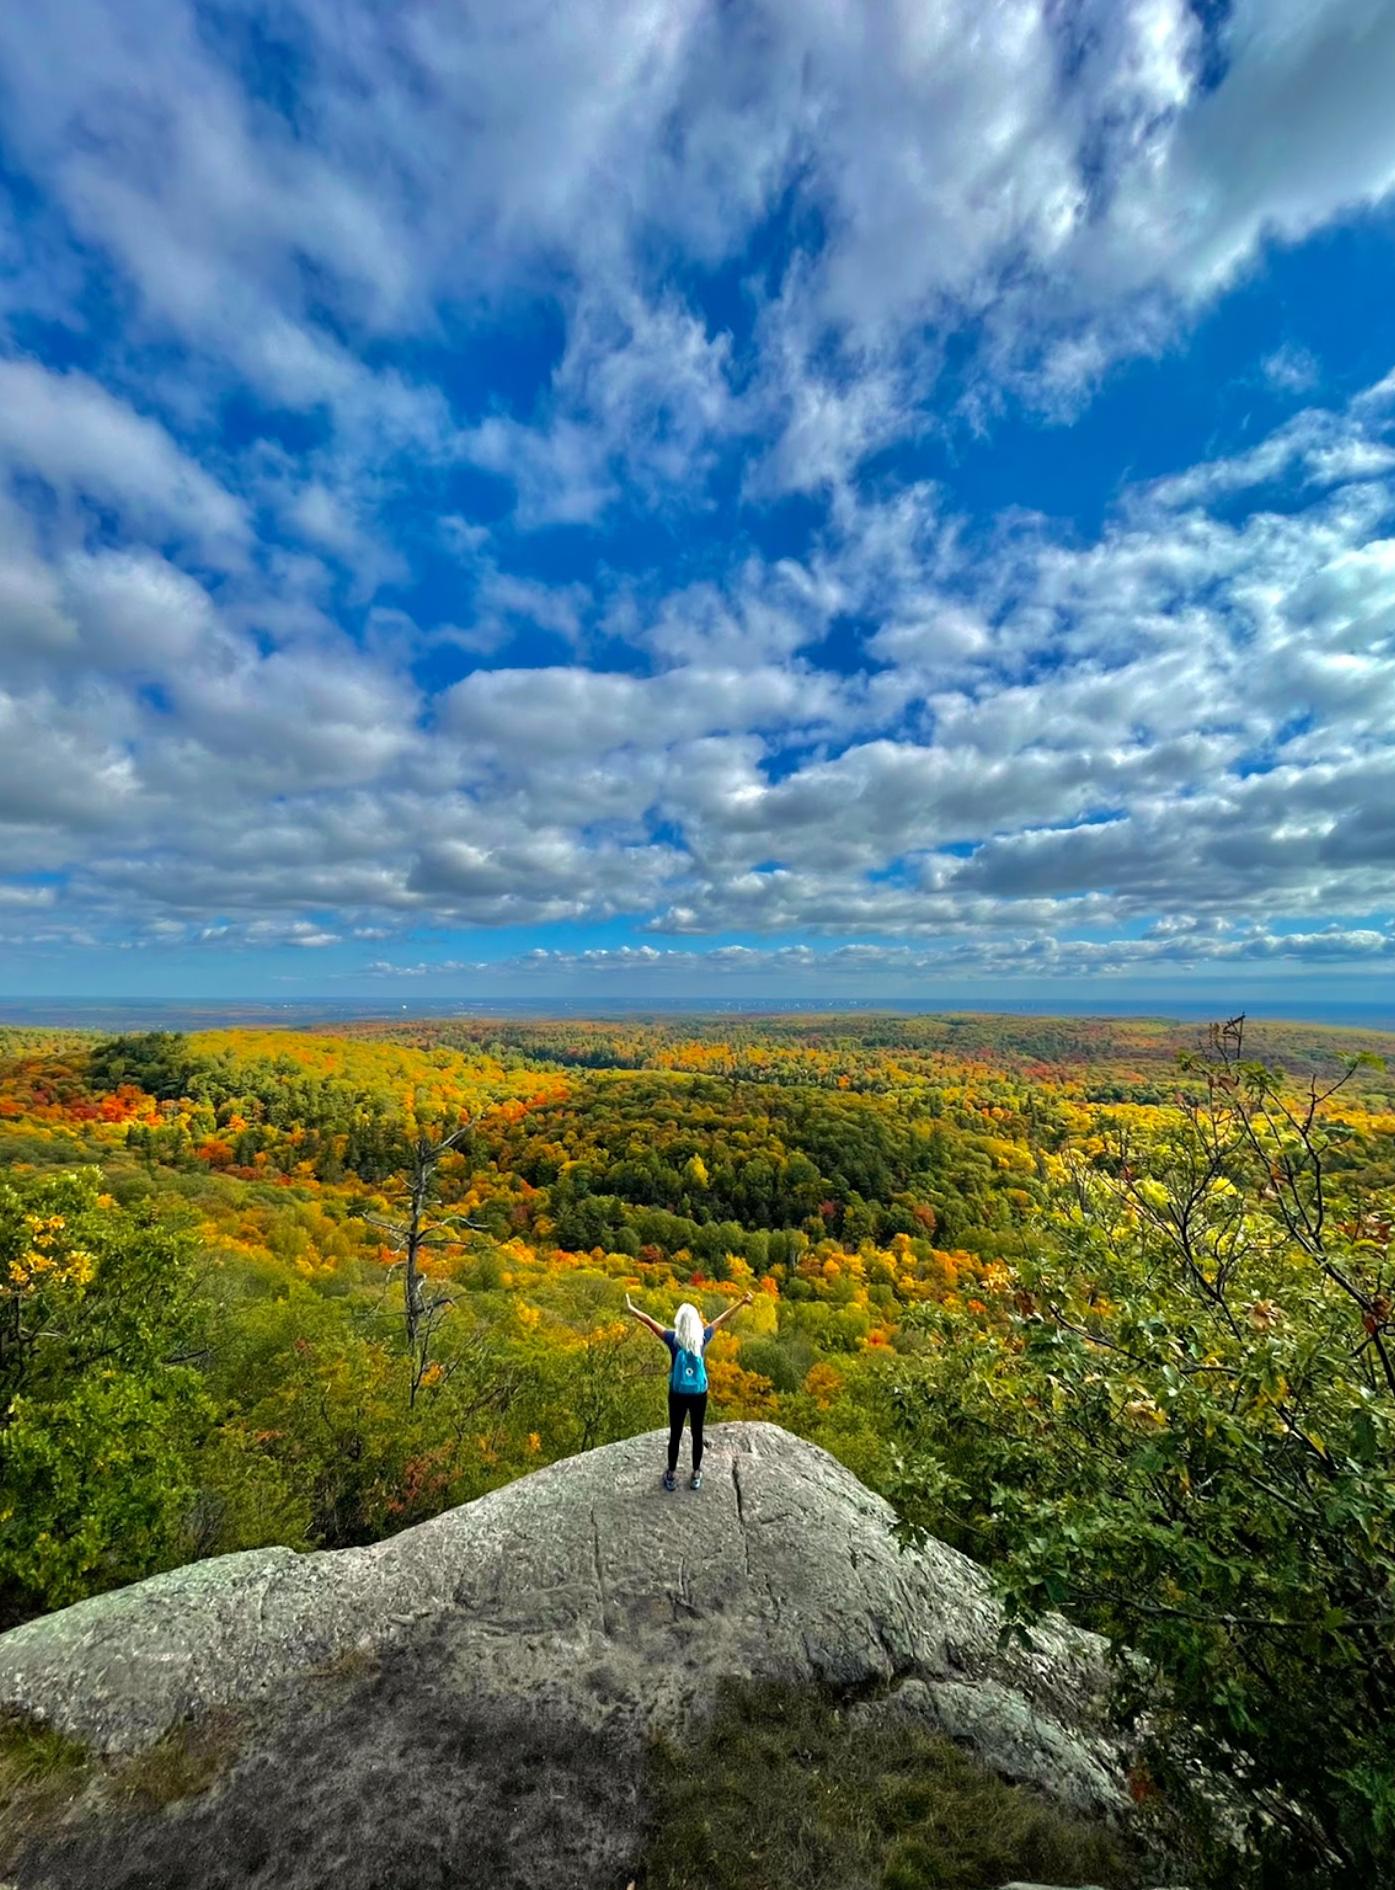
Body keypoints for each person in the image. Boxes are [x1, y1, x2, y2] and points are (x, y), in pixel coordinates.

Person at [624, 1289, 754, 1491]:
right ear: (695, 1322)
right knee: (697, 1433)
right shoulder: (701, 1338)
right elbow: (722, 1320)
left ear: (679, 1321)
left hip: (677, 1394)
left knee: (675, 1434)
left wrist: (632, 1309)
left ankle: (671, 1474)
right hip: (698, 1394)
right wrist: (741, 1303)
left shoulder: (672, 1339)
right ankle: (695, 1474)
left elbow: (649, 1320)